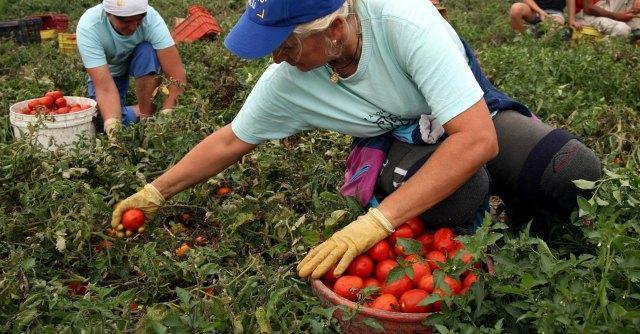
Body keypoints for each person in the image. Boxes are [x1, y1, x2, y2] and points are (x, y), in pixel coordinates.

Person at [110, 0, 601, 280]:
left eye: (286, 44)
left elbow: (475, 136)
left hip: (469, 116)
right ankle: (474, 200)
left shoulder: (405, 24)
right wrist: (155, 191)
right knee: (461, 191)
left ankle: (510, 206)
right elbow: (230, 141)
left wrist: (377, 222)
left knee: (571, 170)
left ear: (337, 29)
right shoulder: (290, 79)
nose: (277, 58)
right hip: (397, 142)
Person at [76, 0, 187, 141]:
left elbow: (176, 77)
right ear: (108, 13)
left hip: (141, 61)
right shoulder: (90, 26)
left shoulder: (151, 19)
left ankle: (147, 119)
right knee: (101, 123)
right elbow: (104, 88)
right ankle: (136, 110)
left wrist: (167, 115)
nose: (134, 27)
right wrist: (114, 130)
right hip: (110, 72)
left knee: (147, 51)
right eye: (126, 22)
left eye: (139, 20)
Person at [575, 0, 640, 39]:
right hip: (588, 15)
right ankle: (604, 47)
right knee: (622, 29)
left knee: (637, 3)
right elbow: (588, 8)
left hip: (605, 6)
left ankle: (636, 31)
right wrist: (617, 16)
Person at [510, 0, 582, 33]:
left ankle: (541, 46)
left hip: (555, 12)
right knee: (516, 8)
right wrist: (540, 11)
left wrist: (571, 19)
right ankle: (523, 41)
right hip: (534, 10)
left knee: (556, 25)